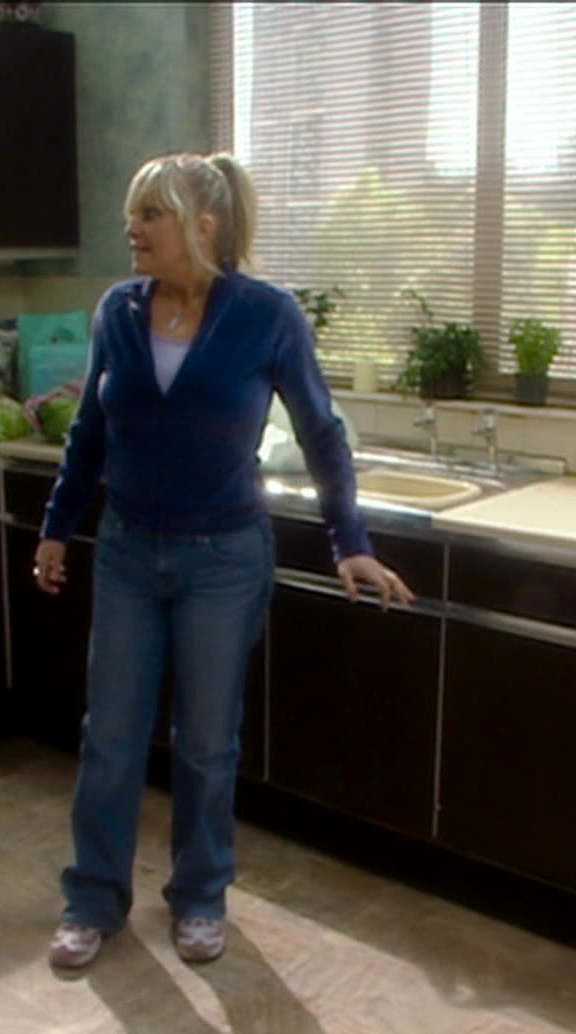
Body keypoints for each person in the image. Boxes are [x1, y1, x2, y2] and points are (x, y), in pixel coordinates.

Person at [33, 151, 415, 970]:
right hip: (128, 552)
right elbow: (89, 433)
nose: (132, 229)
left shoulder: (266, 315)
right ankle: (92, 899)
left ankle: (200, 896)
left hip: (224, 559)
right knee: (110, 738)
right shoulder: (118, 312)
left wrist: (350, 541)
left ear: (201, 226)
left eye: (150, 214)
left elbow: (321, 432)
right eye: (133, 214)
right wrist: (57, 525)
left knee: (206, 743)